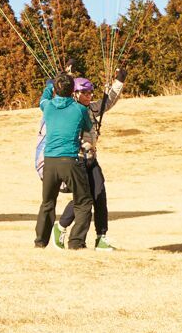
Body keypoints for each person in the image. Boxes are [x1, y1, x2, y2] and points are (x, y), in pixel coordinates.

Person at [54, 67, 127, 250]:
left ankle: (101, 237)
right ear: (75, 93)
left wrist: (119, 81)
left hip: (91, 159)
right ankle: (61, 226)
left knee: (99, 194)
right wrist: (66, 76)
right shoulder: (68, 110)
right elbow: (58, 96)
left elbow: (108, 101)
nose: (88, 95)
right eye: (83, 92)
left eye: (89, 92)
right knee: (83, 198)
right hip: (75, 160)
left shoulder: (93, 108)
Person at [35, 71, 94, 250]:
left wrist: (49, 85)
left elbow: (43, 99)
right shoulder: (80, 109)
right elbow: (88, 127)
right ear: (72, 91)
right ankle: (76, 242)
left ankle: (40, 242)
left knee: (47, 202)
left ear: (55, 89)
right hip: (70, 159)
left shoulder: (48, 107)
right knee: (83, 201)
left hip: (50, 161)